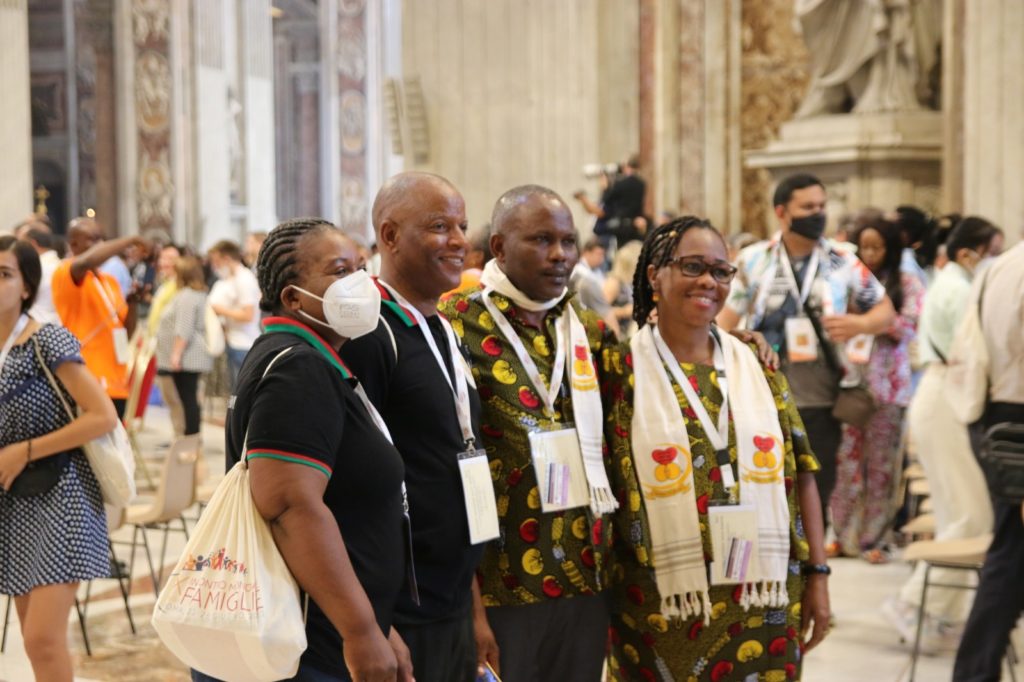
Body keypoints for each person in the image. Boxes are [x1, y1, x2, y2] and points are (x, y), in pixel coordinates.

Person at [601, 217, 830, 680]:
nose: (708, 280)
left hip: (763, 599)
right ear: (654, 276)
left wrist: (819, 577)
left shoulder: (759, 368)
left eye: (721, 271)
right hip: (660, 605)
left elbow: (802, 473)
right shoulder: (616, 372)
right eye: (692, 266)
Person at [198, 218, 412, 682]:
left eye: (360, 266)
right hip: (310, 639)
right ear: (294, 298)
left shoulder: (305, 357)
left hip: (326, 626)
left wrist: (375, 621)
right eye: (339, 271)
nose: (360, 283)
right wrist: (359, 631)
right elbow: (291, 505)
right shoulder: (298, 368)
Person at [439, 185, 618, 682]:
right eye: (541, 240)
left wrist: (735, 341)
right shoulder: (454, 324)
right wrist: (470, 606)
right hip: (499, 580)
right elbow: (442, 467)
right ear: (498, 247)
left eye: (567, 240)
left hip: (585, 574)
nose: (560, 254)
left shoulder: (588, 331)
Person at [340, 172, 487, 681]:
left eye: (462, 226)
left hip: (450, 596)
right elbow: (349, 489)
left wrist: (475, 608)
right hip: (400, 608)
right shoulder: (367, 333)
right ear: (389, 236)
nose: (461, 242)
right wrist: (373, 622)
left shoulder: (444, 326)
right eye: (440, 226)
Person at [717, 173, 895, 529]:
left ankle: (814, 563)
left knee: (817, 484)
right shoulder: (755, 260)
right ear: (782, 212)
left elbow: (885, 311)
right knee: (767, 486)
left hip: (822, 397)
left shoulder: (842, 260)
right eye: (808, 207)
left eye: (822, 206)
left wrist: (858, 325)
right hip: (763, 393)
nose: (818, 213)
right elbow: (724, 320)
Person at [0, 235, 118, 682]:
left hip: (60, 495)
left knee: (42, 639)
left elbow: (102, 416)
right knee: (33, 641)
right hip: (15, 502)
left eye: (5, 274)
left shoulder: (45, 338)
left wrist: (25, 450)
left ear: (26, 286)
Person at [882, 216, 1000, 647]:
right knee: (971, 515)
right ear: (970, 251)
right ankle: (914, 605)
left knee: (960, 512)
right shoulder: (959, 288)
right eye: (993, 250)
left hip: (942, 395)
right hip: (948, 397)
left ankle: (942, 614)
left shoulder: (954, 283)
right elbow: (967, 355)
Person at [830, 219, 925, 562]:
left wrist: (870, 320)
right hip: (852, 382)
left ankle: (874, 539)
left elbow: (910, 328)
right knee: (846, 464)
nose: (870, 253)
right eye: (864, 247)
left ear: (890, 248)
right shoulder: (849, 279)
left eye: (877, 247)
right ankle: (843, 534)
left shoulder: (906, 282)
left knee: (882, 467)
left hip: (890, 387)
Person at [952, 238, 1024, 681]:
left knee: (1012, 551)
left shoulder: (1003, 264)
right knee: (1011, 553)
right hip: (1016, 417)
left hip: (997, 415)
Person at [52, 226, 145, 418]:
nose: (101, 244)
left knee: (115, 445)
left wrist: (133, 303)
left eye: (101, 238)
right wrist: (131, 239)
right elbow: (86, 260)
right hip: (87, 378)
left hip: (116, 380)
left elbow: (127, 332)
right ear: (74, 244)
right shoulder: (65, 271)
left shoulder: (109, 281)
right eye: (92, 238)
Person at [154, 256, 213, 437]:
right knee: (188, 400)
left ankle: (190, 439)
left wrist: (176, 355)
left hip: (188, 357)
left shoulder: (187, 296)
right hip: (189, 356)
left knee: (188, 401)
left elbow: (184, 329)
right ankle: (190, 439)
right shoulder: (197, 294)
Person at [207, 240, 261, 388]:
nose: (215, 266)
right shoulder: (230, 279)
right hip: (233, 341)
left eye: (217, 261)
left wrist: (219, 310)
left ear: (226, 259)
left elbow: (248, 315)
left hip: (244, 343)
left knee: (241, 392)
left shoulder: (244, 279)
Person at [574, 154, 647, 249]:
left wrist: (605, 188)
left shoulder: (619, 186)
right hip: (632, 227)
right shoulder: (641, 184)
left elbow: (603, 205)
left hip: (615, 230)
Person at [20, 226, 61, 325]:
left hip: (37, 324)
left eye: (20, 245)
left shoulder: (37, 267)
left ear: (32, 244)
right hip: (57, 323)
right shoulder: (61, 264)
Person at [569, 237, 610, 319]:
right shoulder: (577, 271)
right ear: (586, 253)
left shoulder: (598, 271)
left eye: (603, 255)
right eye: (598, 254)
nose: (601, 258)